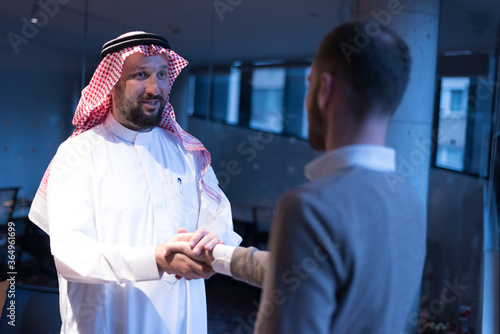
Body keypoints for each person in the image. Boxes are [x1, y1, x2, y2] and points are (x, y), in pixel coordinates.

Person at [168, 20, 427, 333]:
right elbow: (302, 271)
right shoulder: (409, 200)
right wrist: (218, 254)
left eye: (309, 84)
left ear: (325, 89)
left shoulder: (311, 207)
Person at [28, 31, 241, 334]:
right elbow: (70, 254)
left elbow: (220, 221)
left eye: (163, 74)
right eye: (141, 74)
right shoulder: (78, 154)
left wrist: (211, 242)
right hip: (107, 323)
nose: (155, 88)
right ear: (111, 81)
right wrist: (155, 260)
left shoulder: (187, 152)